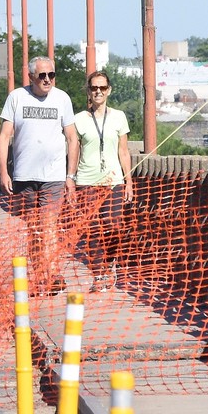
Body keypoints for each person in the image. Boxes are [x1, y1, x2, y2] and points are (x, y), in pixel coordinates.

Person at [0, 57, 77, 289]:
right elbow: (4, 137)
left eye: (51, 75)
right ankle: (41, 273)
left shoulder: (62, 98)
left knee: (49, 225)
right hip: (24, 175)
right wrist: (4, 171)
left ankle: (51, 274)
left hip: (53, 176)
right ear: (31, 76)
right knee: (33, 228)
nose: (47, 80)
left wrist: (70, 176)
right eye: (42, 75)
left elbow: (72, 138)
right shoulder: (17, 97)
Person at [72, 69, 133, 281]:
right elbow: (73, 149)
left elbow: (123, 151)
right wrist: (70, 179)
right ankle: (99, 273)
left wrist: (129, 182)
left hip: (113, 180)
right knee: (92, 228)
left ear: (109, 91)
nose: (98, 92)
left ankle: (109, 262)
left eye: (102, 88)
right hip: (87, 180)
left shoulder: (119, 117)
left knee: (114, 225)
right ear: (88, 92)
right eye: (94, 88)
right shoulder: (78, 119)